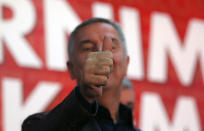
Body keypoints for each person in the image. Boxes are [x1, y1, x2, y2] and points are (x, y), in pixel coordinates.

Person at [22, 18, 140, 131]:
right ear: (71, 69)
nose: (101, 53)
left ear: (126, 63)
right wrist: (85, 96)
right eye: (88, 48)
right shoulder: (40, 125)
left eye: (112, 47)